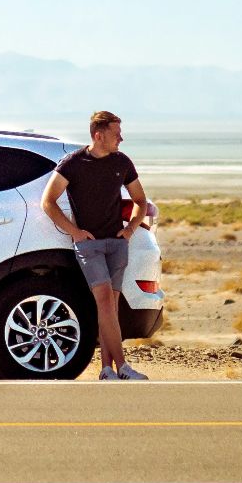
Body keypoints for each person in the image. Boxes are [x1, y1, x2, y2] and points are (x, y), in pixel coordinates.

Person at [40, 110, 150, 381]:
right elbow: (48, 201)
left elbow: (140, 200)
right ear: (98, 135)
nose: (121, 139)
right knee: (104, 303)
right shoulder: (73, 163)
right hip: (89, 246)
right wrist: (75, 232)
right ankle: (123, 367)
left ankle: (105, 369)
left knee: (110, 307)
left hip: (117, 244)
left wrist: (130, 229)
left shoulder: (122, 162)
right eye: (116, 134)